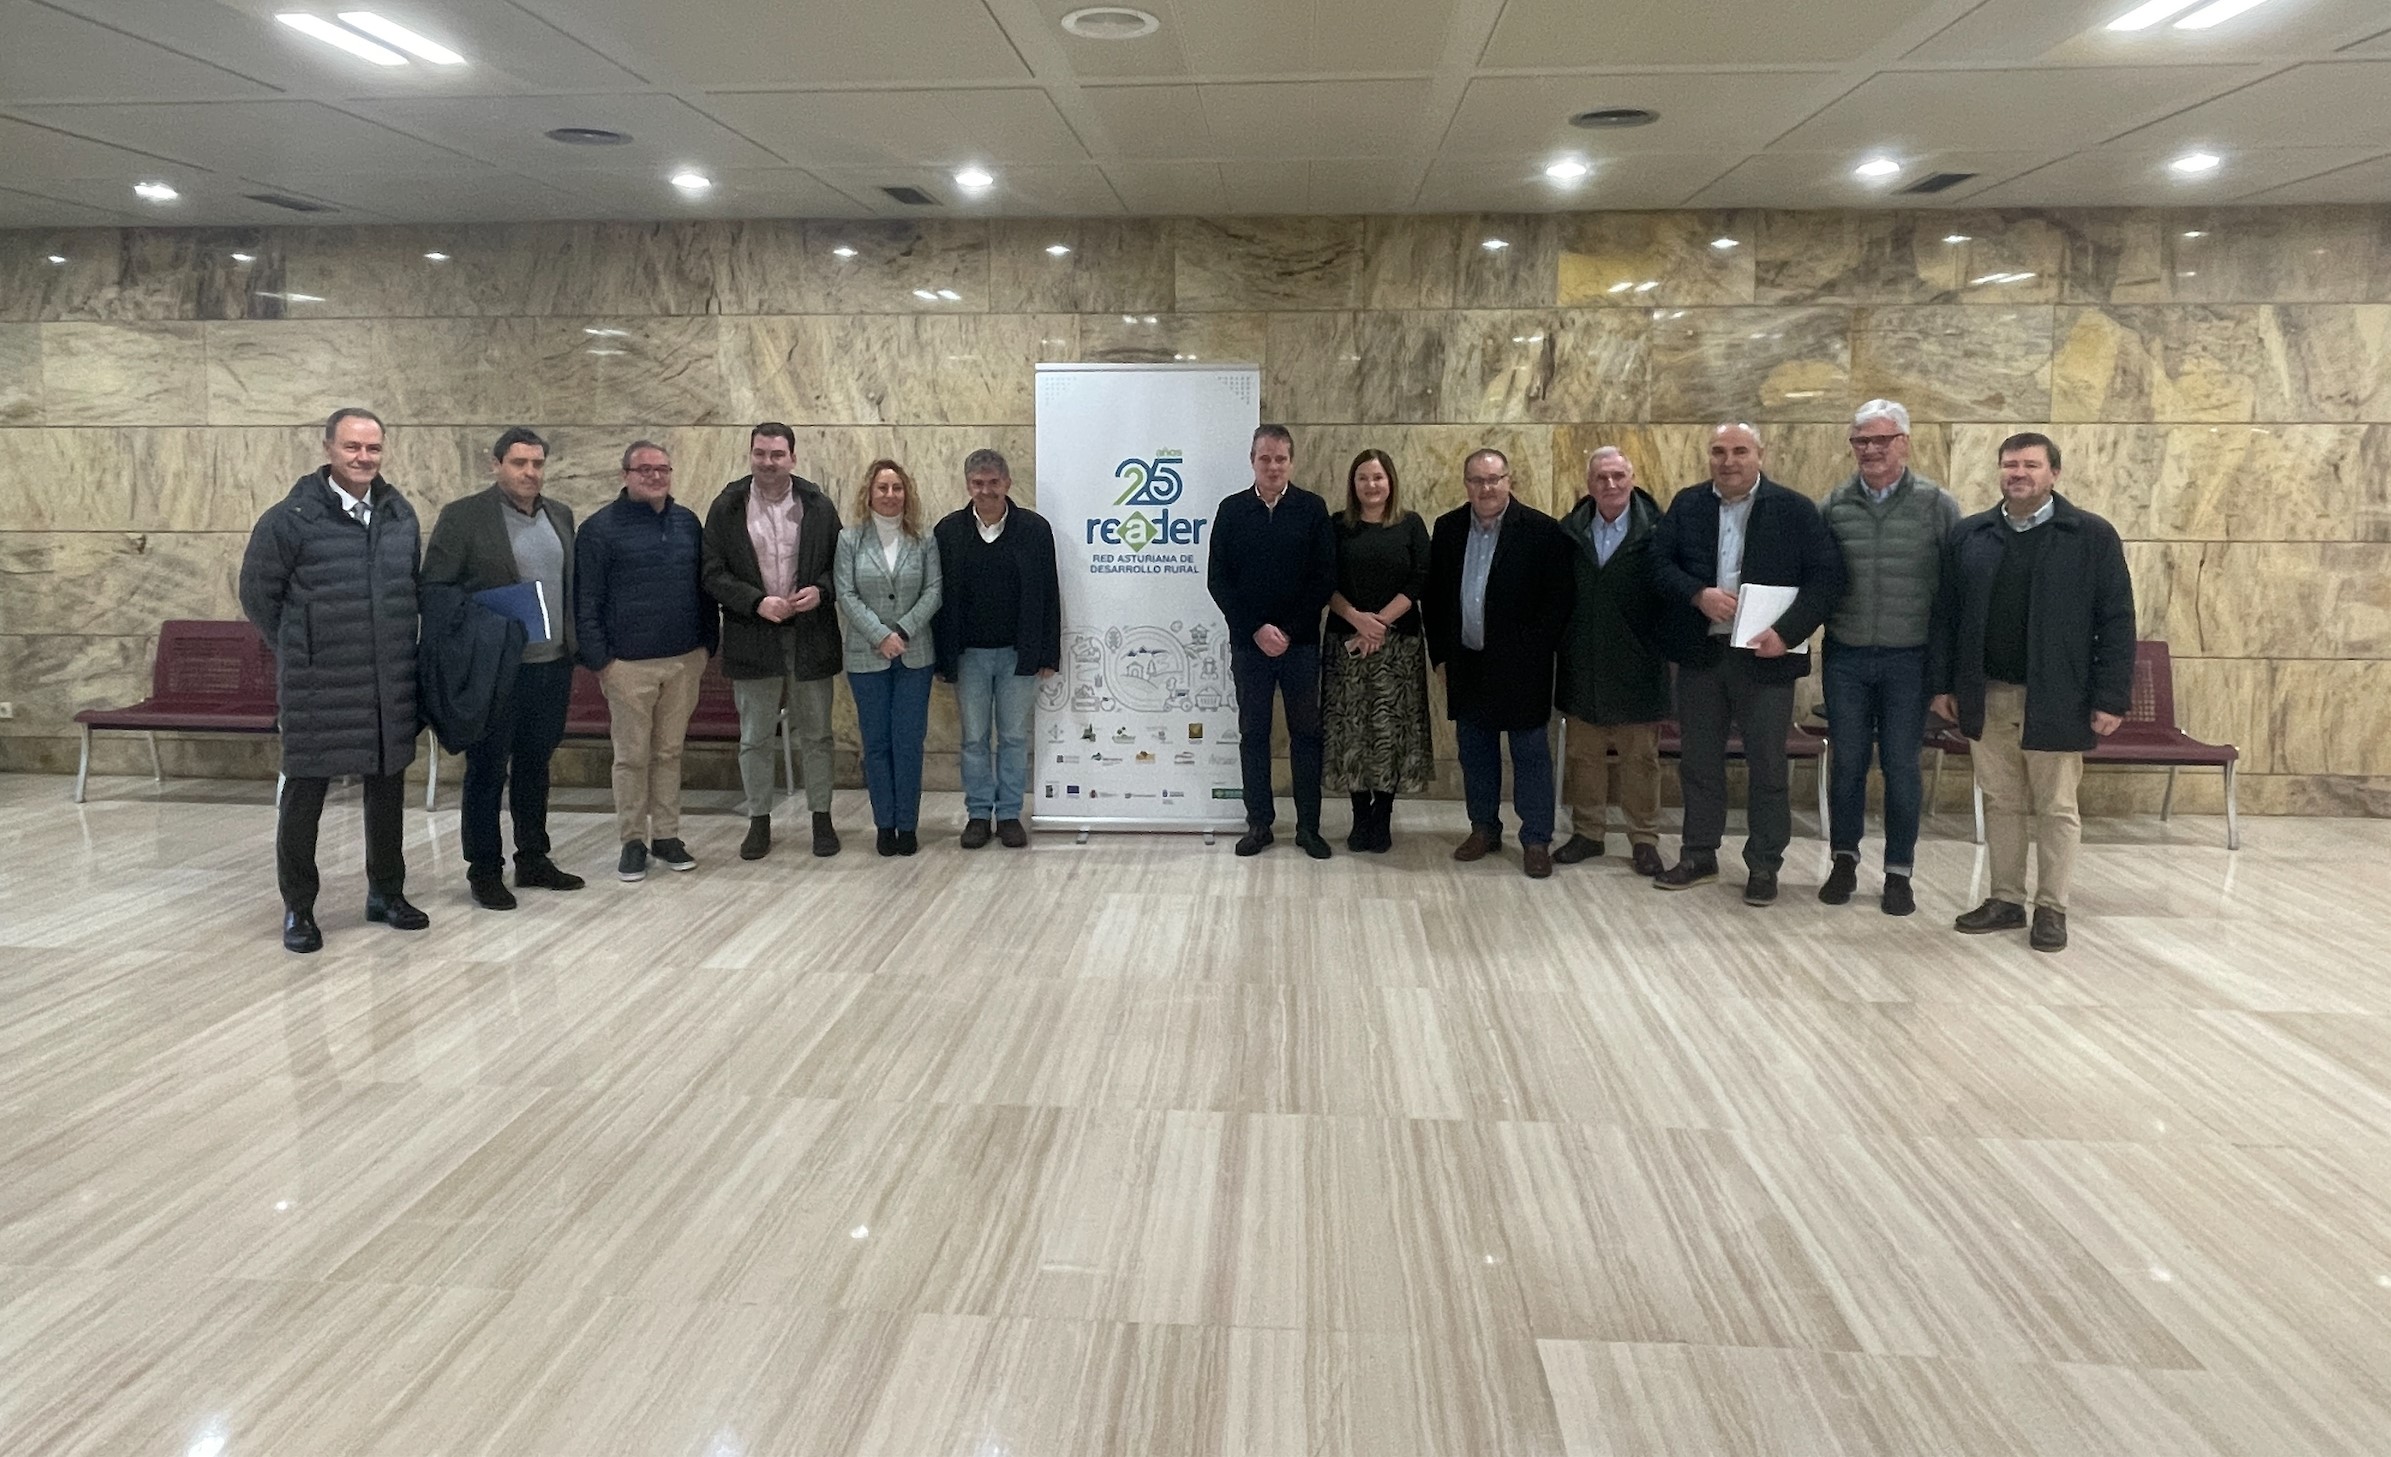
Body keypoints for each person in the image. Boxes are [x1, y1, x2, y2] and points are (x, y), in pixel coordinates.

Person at [1931, 432, 2134, 953]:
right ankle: (2005, 900)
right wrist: (1942, 685)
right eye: (2010, 464)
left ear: (2054, 474)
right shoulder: (1972, 535)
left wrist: (2111, 697)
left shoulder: (2090, 535)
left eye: (2030, 465)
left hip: (2059, 695)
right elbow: (1946, 617)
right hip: (1987, 694)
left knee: (2057, 806)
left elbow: (2116, 620)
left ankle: (2051, 908)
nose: (2018, 473)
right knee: (2000, 801)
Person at [238, 405, 428, 953]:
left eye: (373, 448)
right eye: (352, 447)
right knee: (304, 796)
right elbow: (257, 595)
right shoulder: (290, 518)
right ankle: (299, 907)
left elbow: (408, 590)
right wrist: (301, 648)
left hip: (387, 681)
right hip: (316, 684)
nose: (363, 457)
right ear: (328, 449)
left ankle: (386, 894)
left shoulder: (399, 515)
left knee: (387, 791)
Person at [1649, 422, 1846, 905]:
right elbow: (1657, 563)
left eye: (1740, 451)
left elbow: (1827, 579)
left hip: (1766, 659)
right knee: (1699, 763)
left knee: (1768, 766)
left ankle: (1764, 865)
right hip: (1701, 656)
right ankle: (1699, 855)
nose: (1728, 461)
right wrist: (1697, 594)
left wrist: (1788, 633)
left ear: (1760, 454)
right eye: (1719, 451)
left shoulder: (1795, 509)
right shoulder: (1688, 504)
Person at [419, 426, 587, 910]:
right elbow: (435, 591)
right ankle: (485, 869)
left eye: (537, 464)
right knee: (487, 769)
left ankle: (532, 857)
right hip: (494, 667)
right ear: (496, 466)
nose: (530, 472)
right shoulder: (464, 517)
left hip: (550, 665)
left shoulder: (560, 515)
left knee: (535, 765)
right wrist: (493, 616)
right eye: (519, 463)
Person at [1817, 400, 1961, 917]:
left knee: (1901, 767)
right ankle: (1844, 860)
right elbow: (1816, 581)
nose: (1871, 450)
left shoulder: (1937, 505)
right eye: (1861, 441)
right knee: (1848, 764)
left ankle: (1899, 872)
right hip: (1846, 656)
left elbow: (1955, 591)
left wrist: (1949, 674)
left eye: (1881, 439)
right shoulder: (1833, 506)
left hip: (1910, 660)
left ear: (1904, 442)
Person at [1424, 448, 1575, 879]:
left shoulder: (1542, 530)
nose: (1486, 488)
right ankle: (1484, 829)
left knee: (1530, 754)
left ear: (1509, 481)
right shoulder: (1448, 528)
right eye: (1477, 480)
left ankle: (1536, 839)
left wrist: (1534, 651)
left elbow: (1558, 601)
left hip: (1523, 668)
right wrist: (1441, 657)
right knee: (1476, 753)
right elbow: (1434, 599)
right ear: (1466, 484)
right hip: (1467, 664)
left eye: (1494, 479)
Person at [575, 439, 717, 883]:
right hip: (627, 666)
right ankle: (633, 841)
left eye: (662, 469)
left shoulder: (687, 522)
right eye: (645, 470)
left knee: (670, 753)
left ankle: (667, 836)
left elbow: (703, 587)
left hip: (683, 660)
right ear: (625, 476)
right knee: (632, 757)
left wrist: (706, 646)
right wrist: (603, 662)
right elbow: (585, 600)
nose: (655, 477)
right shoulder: (599, 529)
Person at [703, 422, 842, 862]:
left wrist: (821, 591)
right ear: (750, 455)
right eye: (760, 453)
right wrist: (755, 602)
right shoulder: (727, 507)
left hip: (810, 634)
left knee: (817, 734)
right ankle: (759, 820)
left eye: (777, 454)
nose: (768, 462)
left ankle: (822, 818)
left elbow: (841, 565)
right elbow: (711, 572)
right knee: (755, 736)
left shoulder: (818, 506)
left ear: (793, 458)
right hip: (752, 634)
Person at [1208, 424, 1338, 858]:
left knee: (1306, 735)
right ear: (1252, 461)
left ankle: (1309, 828)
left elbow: (1323, 578)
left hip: (1300, 646)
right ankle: (1259, 824)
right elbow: (1218, 580)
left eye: (1281, 458)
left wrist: (1287, 631)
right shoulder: (1231, 511)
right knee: (1253, 733)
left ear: (1291, 462)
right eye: (1265, 458)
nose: (1273, 466)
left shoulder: (1312, 509)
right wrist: (1256, 629)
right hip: (1250, 646)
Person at [931, 448, 1060, 849]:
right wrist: (942, 656)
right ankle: (977, 814)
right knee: (973, 738)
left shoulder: (1034, 529)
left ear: (1007, 483)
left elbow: (1049, 593)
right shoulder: (948, 531)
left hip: (1018, 655)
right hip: (968, 655)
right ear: (967, 485)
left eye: (993, 483)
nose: (985, 491)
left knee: (1014, 738)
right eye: (978, 483)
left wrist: (1048, 653)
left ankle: (1008, 815)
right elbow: (938, 598)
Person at [1553, 446, 1669, 878]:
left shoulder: (1658, 531)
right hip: (1583, 661)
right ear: (1589, 484)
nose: (1611, 484)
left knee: (1641, 761)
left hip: (1640, 663)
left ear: (1632, 479)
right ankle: (1588, 833)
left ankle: (1644, 839)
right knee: (1584, 757)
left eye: (1619, 475)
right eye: (1601, 477)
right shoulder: (1569, 533)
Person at [1321, 448, 1433, 853]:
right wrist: (1357, 619)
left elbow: (1422, 577)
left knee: (1390, 732)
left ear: (1391, 482)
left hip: (1397, 645)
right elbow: (1323, 580)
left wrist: (1378, 623)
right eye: (1363, 477)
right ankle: (1359, 816)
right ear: (1353, 484)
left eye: (1378, 477)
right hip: (1346, 642)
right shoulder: (1337, 526)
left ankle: (1382, 815)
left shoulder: (1410, 524)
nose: (1371, 485)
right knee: (1351, 731)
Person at [835, 459, 942, 857]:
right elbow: (846, 594)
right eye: (882, 488)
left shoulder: (924, 539)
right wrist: (881, 635)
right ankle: (884, 824)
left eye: (897, 488)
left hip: (915, 655)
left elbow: (934, 591)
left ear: (906, 493)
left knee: (909, 742)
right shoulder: (849, 540)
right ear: (869, 493)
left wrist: (903, 631)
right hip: (867, 657)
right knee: (877, 743)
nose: (890, 495)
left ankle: (908, 824)